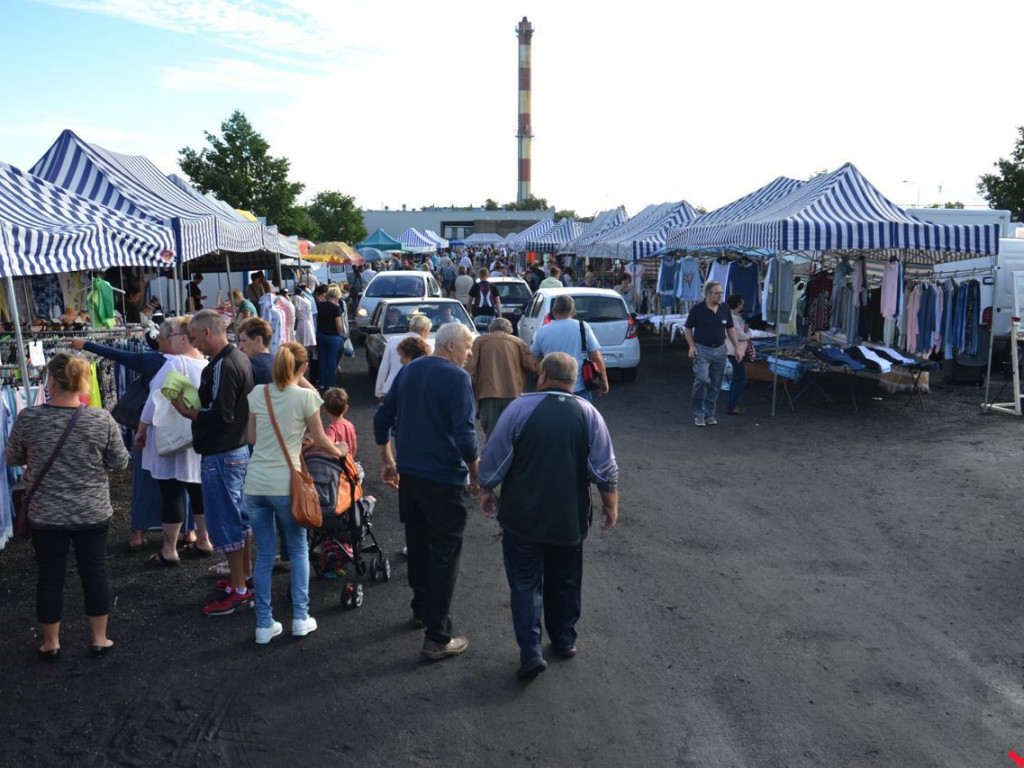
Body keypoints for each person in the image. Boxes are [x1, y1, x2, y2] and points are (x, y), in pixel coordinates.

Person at [478, 352, 618, 679]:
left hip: (521, 517)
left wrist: (487, 488)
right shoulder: (588, 413)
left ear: (541, 377)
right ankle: (564, 639)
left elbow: (495, 456)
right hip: (568, 517)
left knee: (525, 583)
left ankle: (530, 651)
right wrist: (610, 505)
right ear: (575, 381)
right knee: (565, 579)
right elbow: (604, 468)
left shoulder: (519, 409)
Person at [6, 353, 130, 659]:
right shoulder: (101, 419)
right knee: (94, 571)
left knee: (49, 575)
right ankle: (99, 638)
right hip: (92, 510)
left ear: (50, 381)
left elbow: (11, 457)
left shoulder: (29, 418)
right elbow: (120, 462)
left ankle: (51, 643)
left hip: (47, 513)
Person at [373, 323, 479, 661]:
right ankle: (437, 636)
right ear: (449, 347)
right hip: (445, 480)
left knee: (418, 544)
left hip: (411, 476)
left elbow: (381, 418)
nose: (470, 353)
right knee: (445, 553)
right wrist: (478, 477)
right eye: (467, 346)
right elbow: (465, 435)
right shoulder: (458, 378)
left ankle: (421, 609)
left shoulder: (409, 371)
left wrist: (387, 460)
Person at [245, 343, 345, 644]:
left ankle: (264, 625)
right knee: (298, 549)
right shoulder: (306, 398)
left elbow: (251, 437)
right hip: (287, 485)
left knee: (263, 555)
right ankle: (301, 618)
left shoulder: (257, 394)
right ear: (302, 368)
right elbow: (320, 439)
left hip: (256, 483)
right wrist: (338, 450)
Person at [169, 310, 255, 615]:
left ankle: (240, 589)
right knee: (239, 521)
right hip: (236, 450)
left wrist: (186, 410)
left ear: (207, 332)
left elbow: (221, 416)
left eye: (193, 337)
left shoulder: (224, 365)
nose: (193, 343)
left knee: (227, 522)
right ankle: (242, 579)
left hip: (223, 453)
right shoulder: (238, 358)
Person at [67, 334, 168, 551]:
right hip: (180, 432)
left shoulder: (154, 361)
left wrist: (85, 344)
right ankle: (189, 532)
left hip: (150, 428)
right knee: (182, 484)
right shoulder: (199, 362)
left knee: (144, 481)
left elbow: (118, 355)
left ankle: (139, 534)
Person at [136, 317, 211, 565]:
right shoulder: (207, 363)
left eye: (171, 336)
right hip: (197, 434)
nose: (167, 341)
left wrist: (141, 428)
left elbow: (154, 399)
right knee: (197, 488)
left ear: (182, 338)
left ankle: (170, 549)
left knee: (172, 491)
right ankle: (203, 539)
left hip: (172, 435)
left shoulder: (176, 363)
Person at [466, 317, 539, 438]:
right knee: (513, 434)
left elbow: (469, 368)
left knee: (491, 435)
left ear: (491, 329)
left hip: (488, 394)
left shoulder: (479, 341)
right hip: (514, 393)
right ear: (509, 330)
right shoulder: (518, 342)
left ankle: (493, 456)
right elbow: (533, 366)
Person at [683, 281, 742, 427]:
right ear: (708, 294)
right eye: (717, 293)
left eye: (721, 293)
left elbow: (730, 328)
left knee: (716, 384)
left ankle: (710, 413)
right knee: (702, 379)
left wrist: (737, 347)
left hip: (720, 350)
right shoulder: (697, 309)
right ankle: (698, 413)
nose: (720, 296)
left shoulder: (724, 308)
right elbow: (688, 329)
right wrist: (691, 346)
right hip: (702, 350)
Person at [530, 294, 609, 401]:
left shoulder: (542, 331)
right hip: (579, 389)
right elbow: (596, 356)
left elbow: (531, 356)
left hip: (551, 389)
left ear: (553, 311)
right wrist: (604, 380)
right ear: (572, 311)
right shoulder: (583, 327)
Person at [375, 314, 432, 400]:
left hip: (390, 389)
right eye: (429, 331)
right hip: (415, 392)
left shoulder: (392, 340)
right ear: (425, 330)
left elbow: (384, 367)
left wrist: (379, 392)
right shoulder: (428, 346)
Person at [315, 285, 348, 390]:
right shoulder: (336, 308)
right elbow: (339, 325)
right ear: (337, 296)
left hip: (320, 335)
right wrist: (341, 333)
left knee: (322, 359)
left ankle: (322, 383)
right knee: (332, 361)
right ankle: (330, 383)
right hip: (333, 337)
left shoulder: (319, 306)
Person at [724, 294, 752, 416]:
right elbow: (740, 336)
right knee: (741, 378)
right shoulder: (733, 317)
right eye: (741, 302)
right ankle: (732, 405)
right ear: (738, 304)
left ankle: (731, 404)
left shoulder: (734, 316)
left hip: (733, 350)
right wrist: (749, 333)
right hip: (735, 351)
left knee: (737, 377)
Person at [322, 387, 357, 458]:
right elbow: (354, 446)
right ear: (346, 408)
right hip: (349, 463)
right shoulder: (350, 425)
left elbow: (328, 445)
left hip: (337, 466)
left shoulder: (332, 429)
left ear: (325, 410)